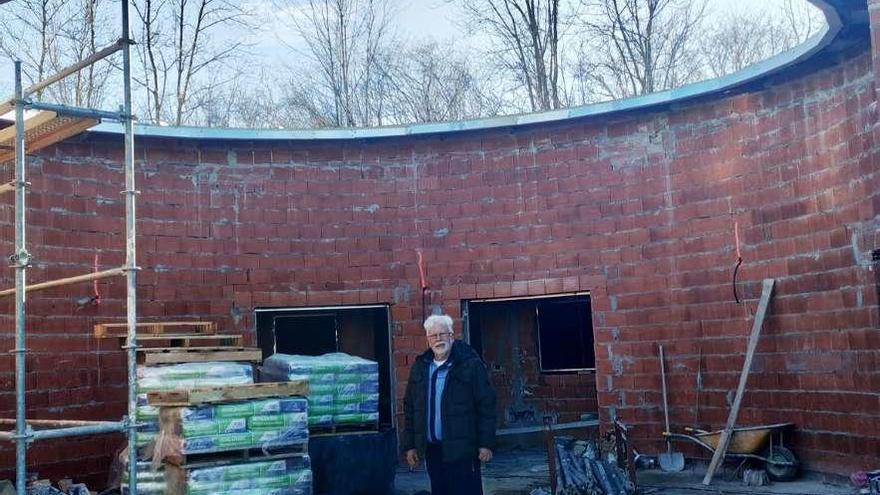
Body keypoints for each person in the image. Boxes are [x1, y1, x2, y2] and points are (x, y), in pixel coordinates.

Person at [402, 314, 497, 495]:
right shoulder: (420, 367)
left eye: (442, 334)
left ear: (451, 335)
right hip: (433, 451)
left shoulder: (470, 365)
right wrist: (410, 445)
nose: (438, 339)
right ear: (428, 339)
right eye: (433, 335)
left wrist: (486, 443)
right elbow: (410, 408)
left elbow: (486, 405)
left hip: (463, 451)